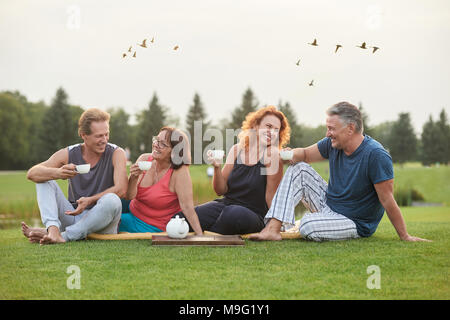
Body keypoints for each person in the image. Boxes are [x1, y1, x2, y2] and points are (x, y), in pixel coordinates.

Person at [250, 102, 430, 242]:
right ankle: (273, 229)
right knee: (299, 169)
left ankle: (318, 222)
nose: (327, 133)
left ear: (350, 128)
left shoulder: (376, 155)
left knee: (307, 226)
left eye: (331, 128)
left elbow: (387, 199)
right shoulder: (332, 144)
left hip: (354, 222)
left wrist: (404, 235)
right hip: (329, 205)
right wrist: (283, 154)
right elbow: (304, 154)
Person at [22, 108, 128, 244]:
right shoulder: (69, 153)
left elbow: (121, 189)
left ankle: (64, 236)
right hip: (74, 216)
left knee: (113, 200)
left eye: (106, 134)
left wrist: (90, 200)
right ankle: (53, 230)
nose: (104, 140)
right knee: (43, 179)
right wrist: (58, 173)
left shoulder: (116, 153)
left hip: (104, 222)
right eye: (99, 136)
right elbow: (32, 173)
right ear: (84, 135)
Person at [194, 105, 291, 235]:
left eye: (276, 130)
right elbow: (220, 190)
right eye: (268, 126)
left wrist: (276, 224)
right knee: (190, 215)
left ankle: (210, 233)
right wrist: (216, 168)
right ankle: (212, 228)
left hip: (254, 214)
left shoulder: (272, 155)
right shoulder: (236, 150)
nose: (271, 132)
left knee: (233, 215)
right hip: (226, 205)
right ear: (256, 126)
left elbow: (271, 197)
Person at [119, 127, 203, 235]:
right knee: (110, 205)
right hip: (132, 213)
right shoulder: (144, 159)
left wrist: (200, 235)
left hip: (154, 226)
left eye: (163, 144)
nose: (156, 145)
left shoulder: (179, 172)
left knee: (108, 221)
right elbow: (129, 196)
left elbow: (187, 207)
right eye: (156, 140)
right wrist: (134, 178)